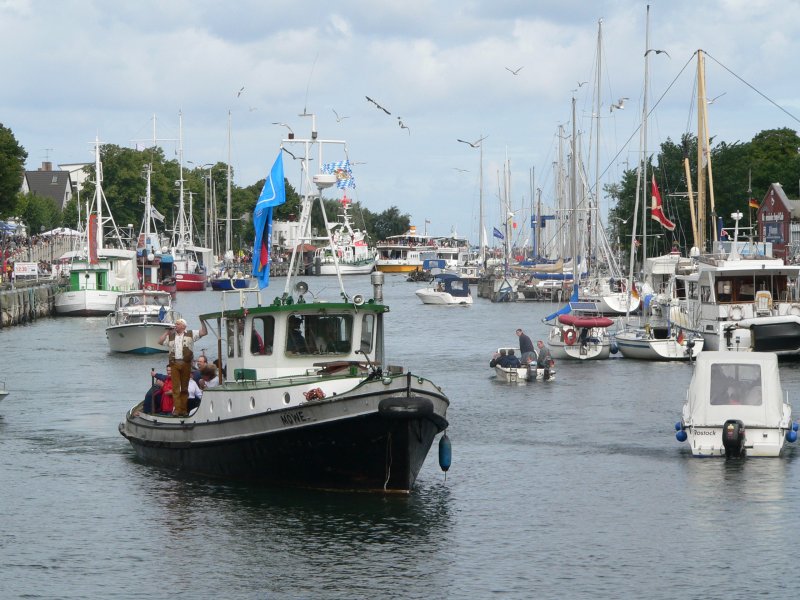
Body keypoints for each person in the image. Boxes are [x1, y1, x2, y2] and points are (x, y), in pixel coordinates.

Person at [159, 317, 208, 417]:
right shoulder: (171, 336)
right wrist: (167, 332)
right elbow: (160, 341)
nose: (175, 325)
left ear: (183, 326)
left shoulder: (190, 333)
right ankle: (177, 410)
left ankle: (184, 410)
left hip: (186, 363)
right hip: (174, 363)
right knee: (176, 388)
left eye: (177, 324)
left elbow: (204, 332)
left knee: (184, 388)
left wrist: (202, 321)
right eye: (176, 324)